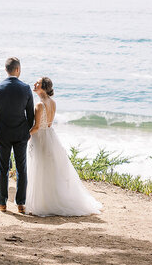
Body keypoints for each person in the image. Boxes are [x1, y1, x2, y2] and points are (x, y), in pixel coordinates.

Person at [26, 77, 102, 217]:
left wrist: (25, 135)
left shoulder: (39, 105)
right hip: (51, 137)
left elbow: (36, 127)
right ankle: (50, 200)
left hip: (40, 138)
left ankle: (42, 203)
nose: (34, 84)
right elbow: (49, 124)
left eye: (37, 83)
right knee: (50, 169)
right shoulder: (53, 103)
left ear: (42, 87)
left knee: (39, 168)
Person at [0, 56, 34, 213]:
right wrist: (27, 130)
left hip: (3, 133)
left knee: (3, 169)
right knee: (22, 168)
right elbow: (31, 114)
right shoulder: (26, 88)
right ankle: (21, 203)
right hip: (21, 133)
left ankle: (2, 203)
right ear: (18, 69)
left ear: (6, 70)